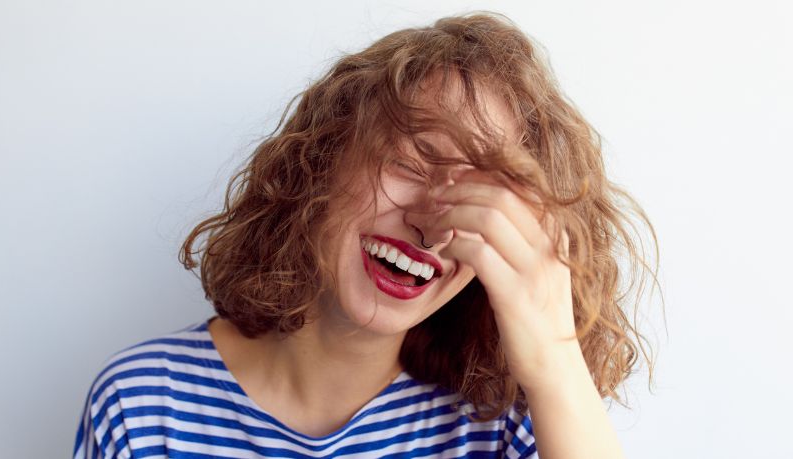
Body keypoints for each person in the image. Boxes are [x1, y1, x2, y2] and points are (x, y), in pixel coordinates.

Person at [74, 11, 659, 459]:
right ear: (324, 157)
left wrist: (555, 359)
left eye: (483, 200)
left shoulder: (505, 428)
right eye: (414, 162)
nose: (432, 226)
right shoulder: (142, 406)